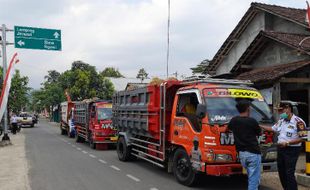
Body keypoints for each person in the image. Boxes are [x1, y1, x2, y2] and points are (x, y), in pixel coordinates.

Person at [261, 102, 308, 190]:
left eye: (281, 110)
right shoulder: (281, 121)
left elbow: (303, 138)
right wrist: (260, 126)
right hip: (281, 149)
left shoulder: (298, 122)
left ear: (288, 109)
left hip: (292, 150)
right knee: (281, 171)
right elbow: (272, 129)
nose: (279, 113)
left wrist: (288, 143)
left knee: (289, 172)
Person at [228, 99, 261, 190]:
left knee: (252, 176)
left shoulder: (234, 120)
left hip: (242, 155)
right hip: (253, 153)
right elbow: (259, 133)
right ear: (248, 108)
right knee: (253, 180)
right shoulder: (252, 121)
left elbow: (227, 129)